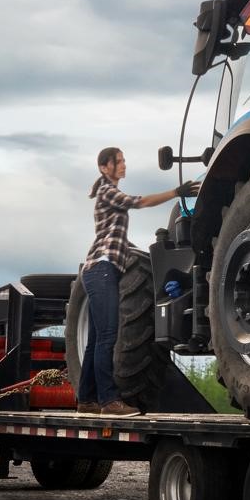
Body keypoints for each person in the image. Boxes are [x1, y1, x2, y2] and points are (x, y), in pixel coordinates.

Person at [78, 147, 197, 416]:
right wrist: (176, 193)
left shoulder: (107, 193)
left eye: (123, 161)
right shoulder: (108, 191)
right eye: (118, 162)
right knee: (108, 336)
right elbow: (140, 202)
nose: (123, 165)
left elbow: (114, 236)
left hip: (103, 268)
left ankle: (86, 400)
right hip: (102, 268)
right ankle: (108, 401)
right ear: (104, 167)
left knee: (96, 338)